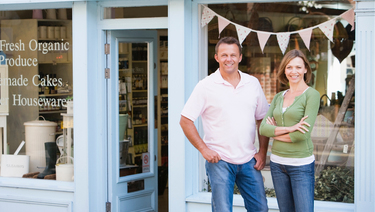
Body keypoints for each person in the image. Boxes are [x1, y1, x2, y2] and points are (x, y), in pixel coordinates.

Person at [180, 37, 269, 212]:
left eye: (233, 55)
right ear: (217, 57)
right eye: (224, 55)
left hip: (249, 159)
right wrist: (204, 149)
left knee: (260, 208)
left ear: (240, 57)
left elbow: (262, 119)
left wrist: (263, 151)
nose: (229, 59)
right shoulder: (205, 86)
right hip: (219, 161)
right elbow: (185, 120)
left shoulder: (252, 83)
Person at [259, 49, 320, 212]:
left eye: (298, 67)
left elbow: (302, 134)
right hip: (277, 163)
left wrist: (275, 133)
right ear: (284, 70)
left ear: (306, 69)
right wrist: (289, 129)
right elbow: (263, 128)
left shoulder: (311, 95)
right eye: (289, 67)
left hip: (301, 164)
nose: (294, 71)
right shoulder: (279, 96)